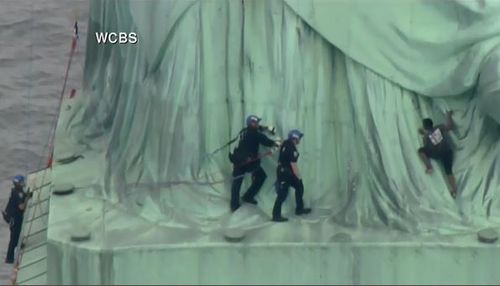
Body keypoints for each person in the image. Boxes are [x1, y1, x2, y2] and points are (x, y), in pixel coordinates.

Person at [229, 115, 279, 212]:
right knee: (260, 176)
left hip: (238, 160)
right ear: (251, 123)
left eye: (257, 123)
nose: (257, 124)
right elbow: (266, 141)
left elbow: (258, 130)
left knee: (237, 182)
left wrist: (266, 128)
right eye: (255, 123)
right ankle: (244, 199)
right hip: (247, 162)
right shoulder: (255, 133)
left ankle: (236, 204)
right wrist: (276, 143)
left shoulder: (244, 131)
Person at [272, 129, 311, 222]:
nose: (300, 140)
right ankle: (276, 215)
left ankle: (299, 209)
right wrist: (299, 176)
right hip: (285, 173)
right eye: (299, 138)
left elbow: (281, 144)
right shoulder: (291, 148)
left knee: (299, 187)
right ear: (295, 138)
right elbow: (293, 164)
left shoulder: (286, 143)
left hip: (285, 171)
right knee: (283, 194)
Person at [418, 111, 457, 198]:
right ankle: (454, 190)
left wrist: (424, 134)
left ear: (425, 127)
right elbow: (451, 126)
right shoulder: (440, 127)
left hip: (437, 153)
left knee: (421, 150)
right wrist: (449, 116)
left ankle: (429, 167)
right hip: (447, 152)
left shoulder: (426, 136)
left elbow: (426, 145)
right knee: (449, 171)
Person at [4, 175, 28, 264]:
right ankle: (9, 258)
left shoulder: (16, 191)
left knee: (17, 233)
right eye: (22, 182)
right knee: (14, 237)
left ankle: (19, 244)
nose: (23, 183)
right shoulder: (18, 193)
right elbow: (21, 207)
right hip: (14, 218)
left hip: (14, 216)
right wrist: (26, 200)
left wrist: (26, 196)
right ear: (18, 184)